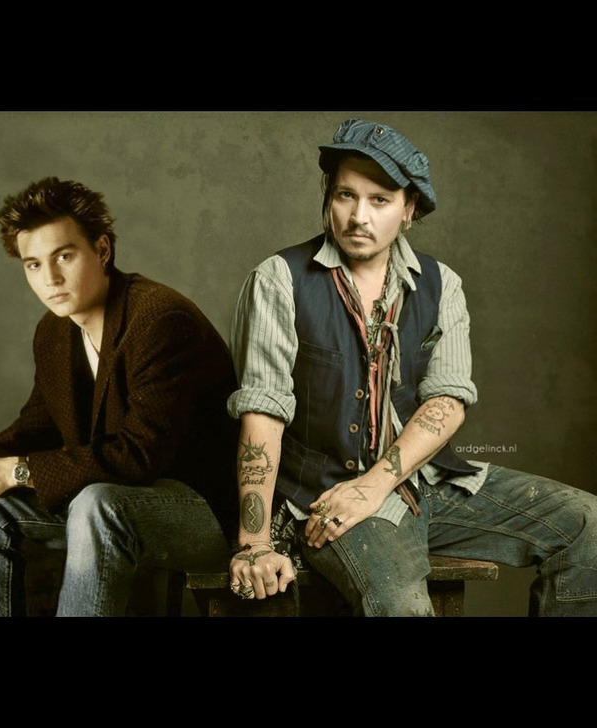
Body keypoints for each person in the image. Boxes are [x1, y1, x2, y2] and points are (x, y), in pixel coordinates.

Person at [226, 118, 597, 616]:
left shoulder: (442, 284)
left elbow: (448, 399)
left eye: (379, 200)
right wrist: (254, 543)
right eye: (345, 195)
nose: (358, 217)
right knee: (402, 606)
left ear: (408, 209)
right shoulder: (279, 280)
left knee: (587, 524)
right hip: (327, 495)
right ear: (328, 195)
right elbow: (263, 413)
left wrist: (376, 484)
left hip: (425, 483)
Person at [0, 176, 238, 616]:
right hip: (116, 504)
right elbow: (38, 424)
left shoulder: (159, 319)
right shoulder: (53, 331)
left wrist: (12, 470)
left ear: (102, 250)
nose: (50, 279)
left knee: (95, 503)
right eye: (33, 265)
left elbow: (140, 456)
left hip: (205, 514)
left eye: (64, 256)